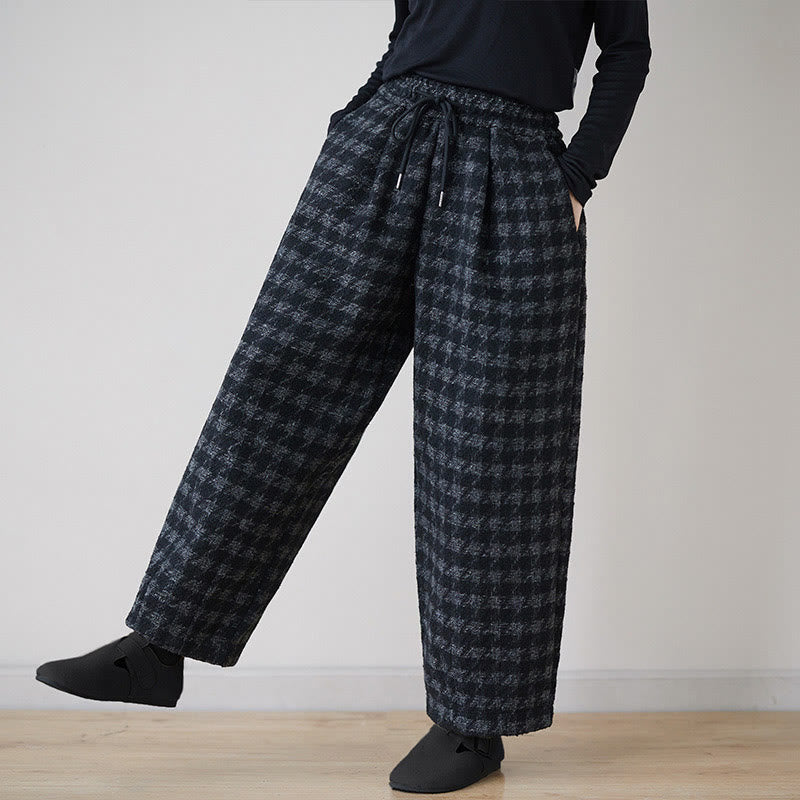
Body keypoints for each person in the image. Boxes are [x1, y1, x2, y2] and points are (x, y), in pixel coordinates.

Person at [35, 1, 651, 793]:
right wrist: (361, 111)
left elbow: (628, 52)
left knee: (488, 450)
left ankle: (473, 724)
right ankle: (159, 646)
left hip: (516, 171)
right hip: (385, 138)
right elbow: (410, 24)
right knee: (276, 388)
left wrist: (574, 180)